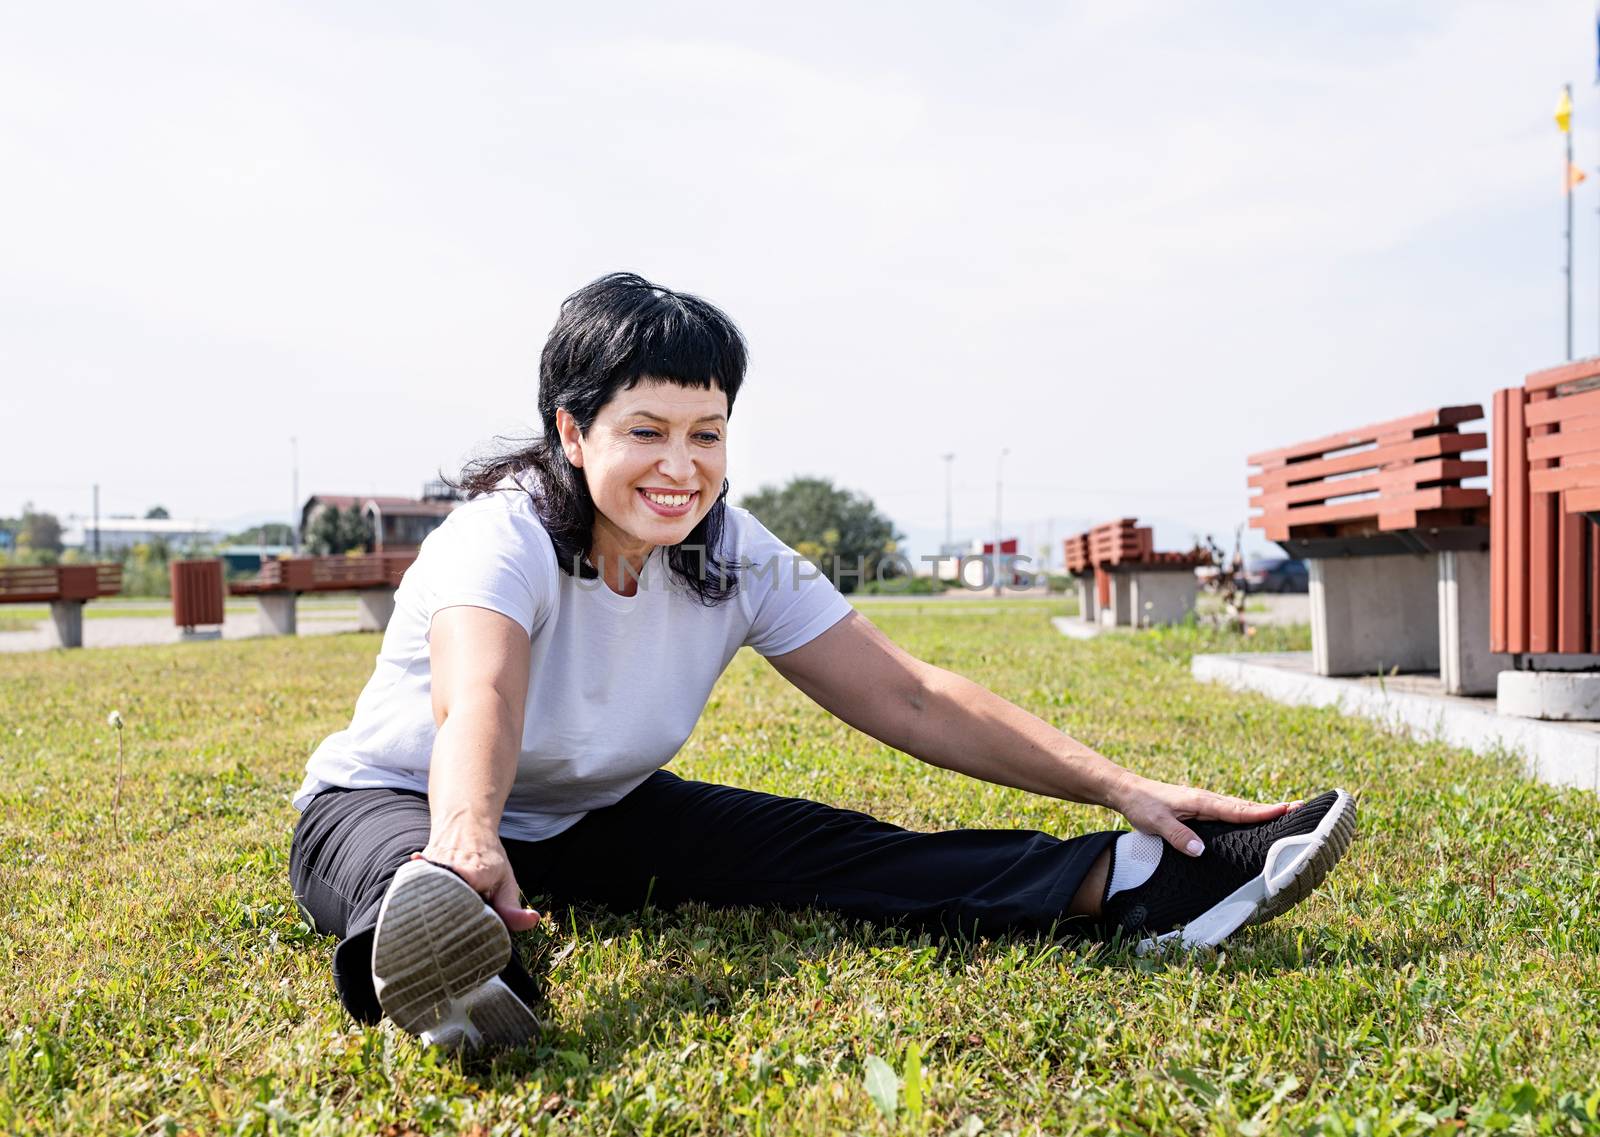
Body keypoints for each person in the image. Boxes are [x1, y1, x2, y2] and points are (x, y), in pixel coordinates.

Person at [288, 272, 1357, 1052]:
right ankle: (454, 957)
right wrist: (468, 837)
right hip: (393, 803)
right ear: (572, 432)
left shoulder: (734, 553)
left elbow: (910, 696)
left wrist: (1122, 788)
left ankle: (1132, 884)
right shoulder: (501, 534)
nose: (680, 466)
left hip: (590, 819)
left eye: (706, 434)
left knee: (832, 847)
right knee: (417, 874)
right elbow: (481, 693)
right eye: (645, 430)